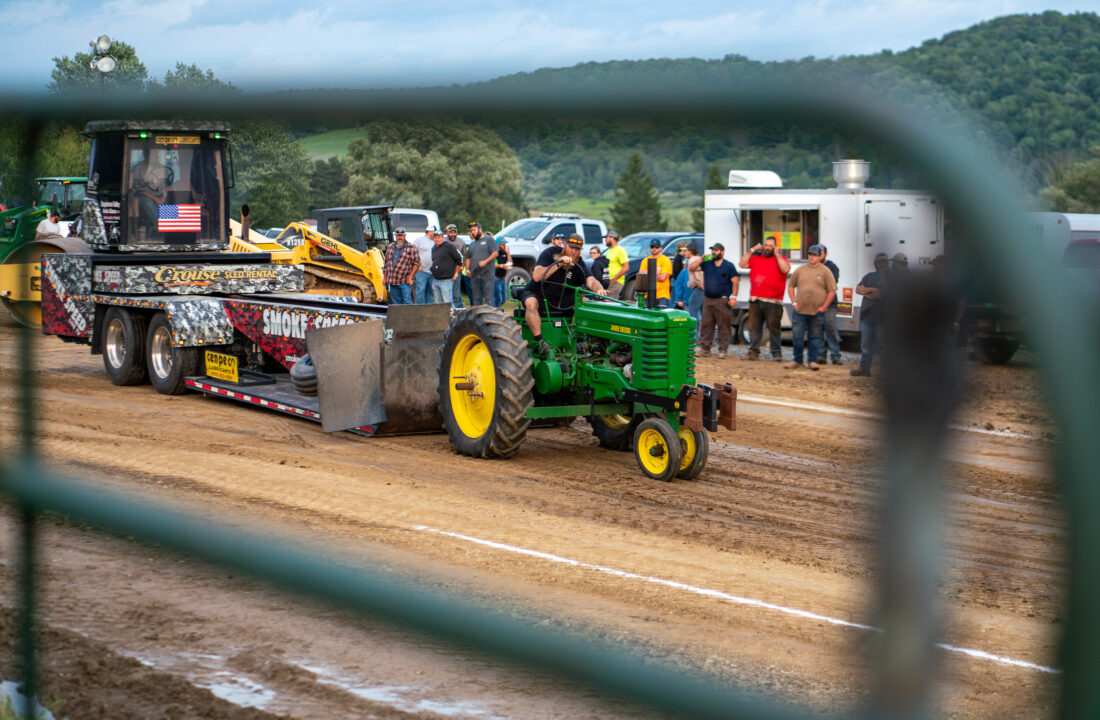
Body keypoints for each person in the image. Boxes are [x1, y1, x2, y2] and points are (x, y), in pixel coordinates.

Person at [520, 233, 607, 355]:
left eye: (577, 249)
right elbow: (537, 276)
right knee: (531, 303)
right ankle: (540, 341)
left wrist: (598, 289)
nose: (574, 251)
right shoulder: (550, 253)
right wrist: (559, 263)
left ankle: (572, 339)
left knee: (585, 302)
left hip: (561, 299)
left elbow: (591, 279)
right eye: (571, 247)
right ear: (565, 245)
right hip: (538, 294)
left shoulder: (579, 264)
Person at [785, 244, 836, 370]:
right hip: (800, 310)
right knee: (797, 336)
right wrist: (794, 302)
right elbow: (791, 286)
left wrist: (824, 306)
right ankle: (797, 360)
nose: (812, 257)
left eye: (814, 255)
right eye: (810, 255)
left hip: (817, 311)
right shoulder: (800, 270)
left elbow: (832, 290)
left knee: (814, 337)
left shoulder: (825, 271)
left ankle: (812, 361)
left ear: (820, 256)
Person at [739, 235, 790, 361]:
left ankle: (776, 353)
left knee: (774, 328)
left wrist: (777, 255)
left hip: (774, 301)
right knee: (754, 327)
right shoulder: (756, 258)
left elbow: (785, 269)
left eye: (770, 246)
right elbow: (742, 264)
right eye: (766, 245)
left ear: (775, 247)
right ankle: (753, 351)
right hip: (755, 299)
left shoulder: (781, 259)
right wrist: (752, 250)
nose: (767, 248)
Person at [689, 242, 739, 358]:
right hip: (708, 299)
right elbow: (692, 268)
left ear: (722, 252)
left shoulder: (728, 266)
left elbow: (735, 282)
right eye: (712, 250)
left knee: (724, 325)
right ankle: (705, 349)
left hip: (722, 300)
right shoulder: (707, 263)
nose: (713, 252)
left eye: (716, 250)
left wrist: (734, 297)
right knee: (706, 324)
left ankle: (723, 350)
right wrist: (701, 259)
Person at [851, 252, 890, 377]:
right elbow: (858, 289)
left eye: (883, 262)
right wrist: (872, 291)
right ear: (875, 264)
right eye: (879, 262)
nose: (881, 264)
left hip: (883, 317)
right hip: (867, 316)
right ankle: (864, 368)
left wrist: (867, 291)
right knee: (866, 345)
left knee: (883, 346)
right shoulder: (869, 276)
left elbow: (882, 293)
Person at [382, 227, 420, 305]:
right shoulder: (390, 246)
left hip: (405, 281)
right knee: (396, 303)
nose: (400, 237)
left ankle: (408, 313)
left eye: (401, 235)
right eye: (398, 235)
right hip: (392, 281)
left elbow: (416, 263)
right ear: (395, 236)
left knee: (407, 301)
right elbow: (386, 263)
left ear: (405, 236)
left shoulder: (411, 247)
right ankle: (399, 313)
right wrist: (385, 278)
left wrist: (410, 277)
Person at [465, 221, 498, 306]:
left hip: (487, 274)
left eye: (474, 230)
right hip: (474, 275)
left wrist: (485, 261)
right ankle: (478, 314)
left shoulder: (489, 240)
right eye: (471, 230)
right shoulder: (472, 244)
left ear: (480, 229)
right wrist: (467, 269)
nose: (472, 232)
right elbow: (468, 258)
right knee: (476, 298)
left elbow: (495, 253)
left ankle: (489, 314)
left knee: (488, 298)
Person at [820, 245, 843, 364]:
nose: (817, 256)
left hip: (830, 303)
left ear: (825, 254)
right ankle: (820, 355)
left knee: (831, 328)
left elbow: (832, 282)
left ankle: (835, 356)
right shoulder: (812, 267)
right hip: (815, 303)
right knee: (817, 330)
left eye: (820, 253)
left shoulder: (832, 267)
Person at [636, 238, 673, 308]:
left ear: (660, 248)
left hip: (662, 295)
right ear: (650, 248)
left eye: (656, 247)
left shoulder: (665, 260)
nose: (654, 248)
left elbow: (662, 278)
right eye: (652, 246)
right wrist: (657, 273)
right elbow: (642, 278)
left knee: (661, 314)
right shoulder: (645, 260)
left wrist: (648, 273)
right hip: (647, 295)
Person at [430, 229, 463, 305]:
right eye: (435, 237)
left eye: (439, 237)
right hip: (435, 280)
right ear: (433, 238)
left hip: (446, 280)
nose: (437, 239)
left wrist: (456, 273)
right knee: (438, 303)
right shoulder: (433, 248)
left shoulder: (449, 246)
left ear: (442, 238)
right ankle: (441, 313)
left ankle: (452, 313)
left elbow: (460, 258)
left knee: (447, 303)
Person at [445, 224, 468, 308]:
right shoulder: (443, 241)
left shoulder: (461, 241)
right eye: (451, 232)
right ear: (447, 232)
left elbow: (465, 256)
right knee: (447, 292)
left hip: (457, 271)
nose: (453, 234)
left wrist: (462, 266)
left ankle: (457, 310)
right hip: (446, 271)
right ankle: (449, 309)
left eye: (454, 232)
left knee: (456, 293)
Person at [412, 225, 437, 304]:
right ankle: (420, 307)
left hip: (433, 271)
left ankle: (429, 307)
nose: (435, 234)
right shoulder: (419, 240)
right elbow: (413, 253)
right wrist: (418, 265)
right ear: (429, 232)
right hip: (422, 270)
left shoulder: (436, 241)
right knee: (420, 290)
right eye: (433, 232)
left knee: (431, 291)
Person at [604, 230, 628, 299]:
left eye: (607, 238)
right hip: (608, 281)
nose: (605, 240)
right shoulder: (609, 250)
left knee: (610, 302)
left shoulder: (620, 250)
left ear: (613, 238)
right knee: (606, 301)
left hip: (616, 282)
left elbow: (626, 267)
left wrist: (614, 279)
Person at [492, 234, 513, 307]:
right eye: (503, 244)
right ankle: (496, 311)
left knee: (504, 299)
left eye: (505, 244)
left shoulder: (504, 253)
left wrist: (508, 253)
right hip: (496, 278)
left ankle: (495, 308)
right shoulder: (495, 253)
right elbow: (492, 265)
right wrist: (502, 266)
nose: (504, 245)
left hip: (502, 278)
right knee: (498, 299)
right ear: (498, 245)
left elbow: (510, 262)